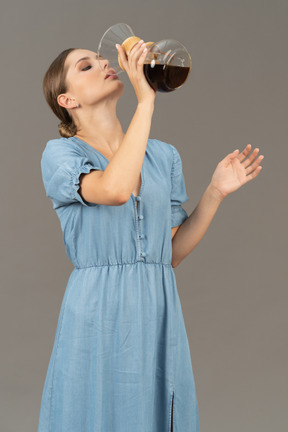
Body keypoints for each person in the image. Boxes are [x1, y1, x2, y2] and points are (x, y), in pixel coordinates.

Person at [38, 41, 264, 432]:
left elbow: (170, 254)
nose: (106, 63)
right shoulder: (61, 156)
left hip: (157, 309)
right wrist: (146, 103)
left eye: (102, 59)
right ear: (67, 99)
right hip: (99, 313)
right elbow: (113, 190)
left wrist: (215, 193)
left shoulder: (163, 157)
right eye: (86, 66)